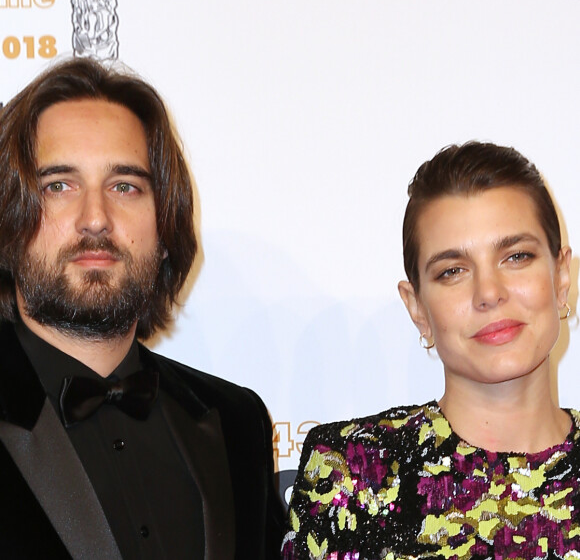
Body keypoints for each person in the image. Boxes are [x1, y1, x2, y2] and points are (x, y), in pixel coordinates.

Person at [0, 57, 285, 559]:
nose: (95, 219)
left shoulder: (237, 421)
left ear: (165, 225)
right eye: (58, 186)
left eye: (125, 186)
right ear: (9, 217)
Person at [282, 141, 579, 559]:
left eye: (516, 256)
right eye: (453, 271)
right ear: (417, 307)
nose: (489, 293)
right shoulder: (353, 472)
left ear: (561, 276)